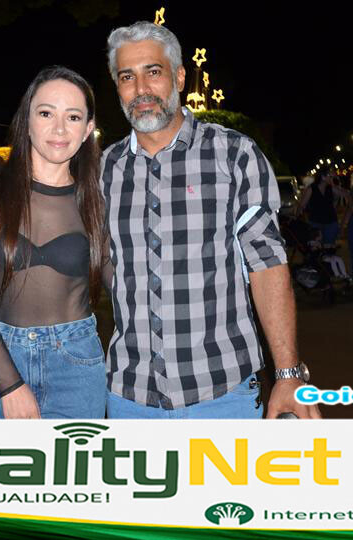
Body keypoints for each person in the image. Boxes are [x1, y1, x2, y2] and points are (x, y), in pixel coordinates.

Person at [101, 21, 320, 419]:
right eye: (127, 77)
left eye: (153, 71)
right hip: (129, 397)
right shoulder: (104, 169)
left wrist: (288, 373)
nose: (141, 88)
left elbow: (267, 264)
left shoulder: (233, 155)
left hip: (223, 394)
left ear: (179, 77)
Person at [0, 66, 107, 419]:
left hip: (76, 362)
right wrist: (9, 384)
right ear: (27, 120)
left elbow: (125, 282)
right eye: (46, 113)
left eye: (73, 117)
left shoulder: (97, 198)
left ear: (87, 130)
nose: (59, 128)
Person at [296, 168, 348, 245]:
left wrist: (333, 184)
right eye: (330, 176)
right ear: (323, 177)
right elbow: (302, 205)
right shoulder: (311, 188)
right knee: (316, 247)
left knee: (329, 246)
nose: (332, 178)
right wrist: (297, 218)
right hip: (315, 222)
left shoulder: (330, 188)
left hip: (330, 222)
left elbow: (345, 194)